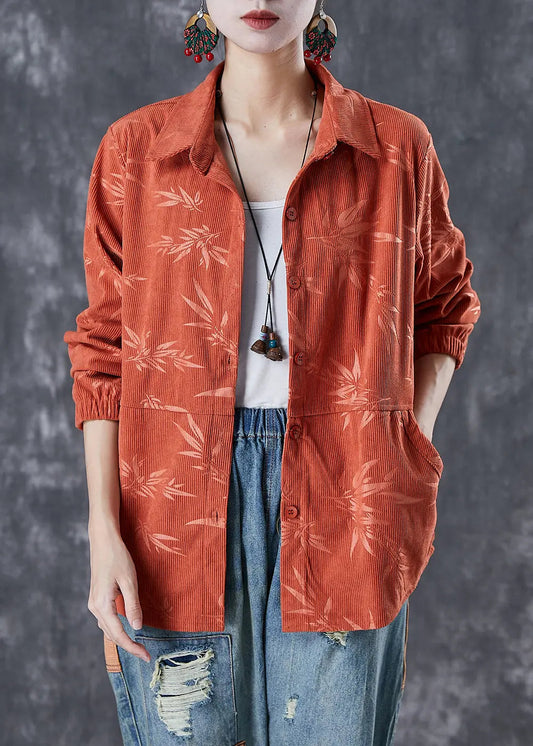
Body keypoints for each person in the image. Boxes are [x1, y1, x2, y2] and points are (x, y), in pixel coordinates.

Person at [63, 1, 481, 744]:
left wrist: (401, 442)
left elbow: (444, 305)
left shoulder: (394, 149)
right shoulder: (136, 151)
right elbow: (104, 350)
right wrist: (103, 526)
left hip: (346, 495)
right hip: (170, 512)